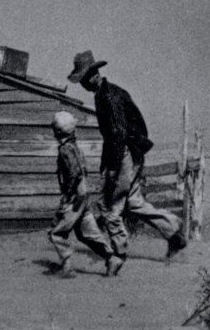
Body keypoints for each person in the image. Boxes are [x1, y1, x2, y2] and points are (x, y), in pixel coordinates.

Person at [66, 51, 186, 271]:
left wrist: (112, 170)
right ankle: (173, 231)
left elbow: (118, 134)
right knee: (133, 202)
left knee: (110, 206)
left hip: (124, 154)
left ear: (93, 75)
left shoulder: (108, 97)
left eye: (83, 79)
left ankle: (118, 254)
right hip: (131, 152)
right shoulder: (108, 93)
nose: (82, 84)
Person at [47, 110, 123, 278]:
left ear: (57, 131)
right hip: (83, 194)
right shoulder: (76, 148)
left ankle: (66, 267)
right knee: (86, 232)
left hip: (74, 197)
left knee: (57, 231)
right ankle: (111, 258)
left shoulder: (65, 150)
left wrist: (67, 195)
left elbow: (74, 173)